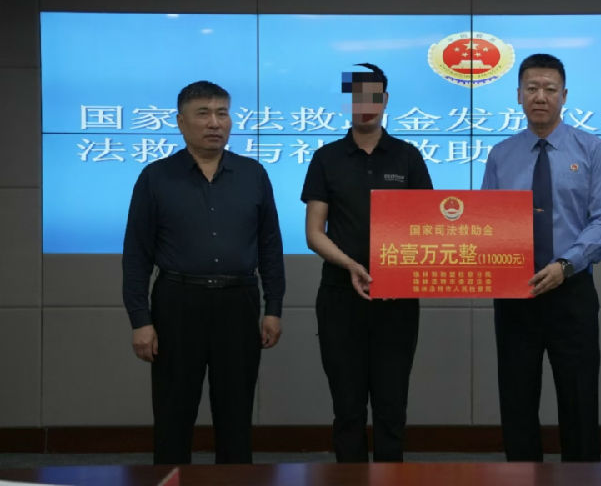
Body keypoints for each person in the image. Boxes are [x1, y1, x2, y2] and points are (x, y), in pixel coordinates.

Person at [122, 80, 286, 465]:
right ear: (181, 122)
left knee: (236, 412)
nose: (215, 123)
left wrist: (273, 308)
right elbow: (136, 255)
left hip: (239, 302)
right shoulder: (156, 177)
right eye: (203, 114)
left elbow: (270, 247)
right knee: (173, 412)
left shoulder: (253, 174)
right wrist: (140, 320)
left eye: (222, 113)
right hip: (178, 302)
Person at [481, 53, 601, 461]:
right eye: (532, 88)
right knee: (517, 399)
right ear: (518, 95)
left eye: (549, 89)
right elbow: (486, 223)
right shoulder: (501, 155)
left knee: (579, 398)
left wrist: (565, 265)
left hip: (571, 289)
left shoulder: (591, 149)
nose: (540, 96)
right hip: (514, 292)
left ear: (564, 95)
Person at [302, 63, 433, 462]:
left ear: (385, 100)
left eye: (373, 97)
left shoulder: (408, 157)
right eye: (356, 98)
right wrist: (351, 266)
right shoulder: (326, 158)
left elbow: (428, 226)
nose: (365, 105)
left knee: (392, 406)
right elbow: (314, 233)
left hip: (397, 300)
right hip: (340, 296)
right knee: (347, 408)